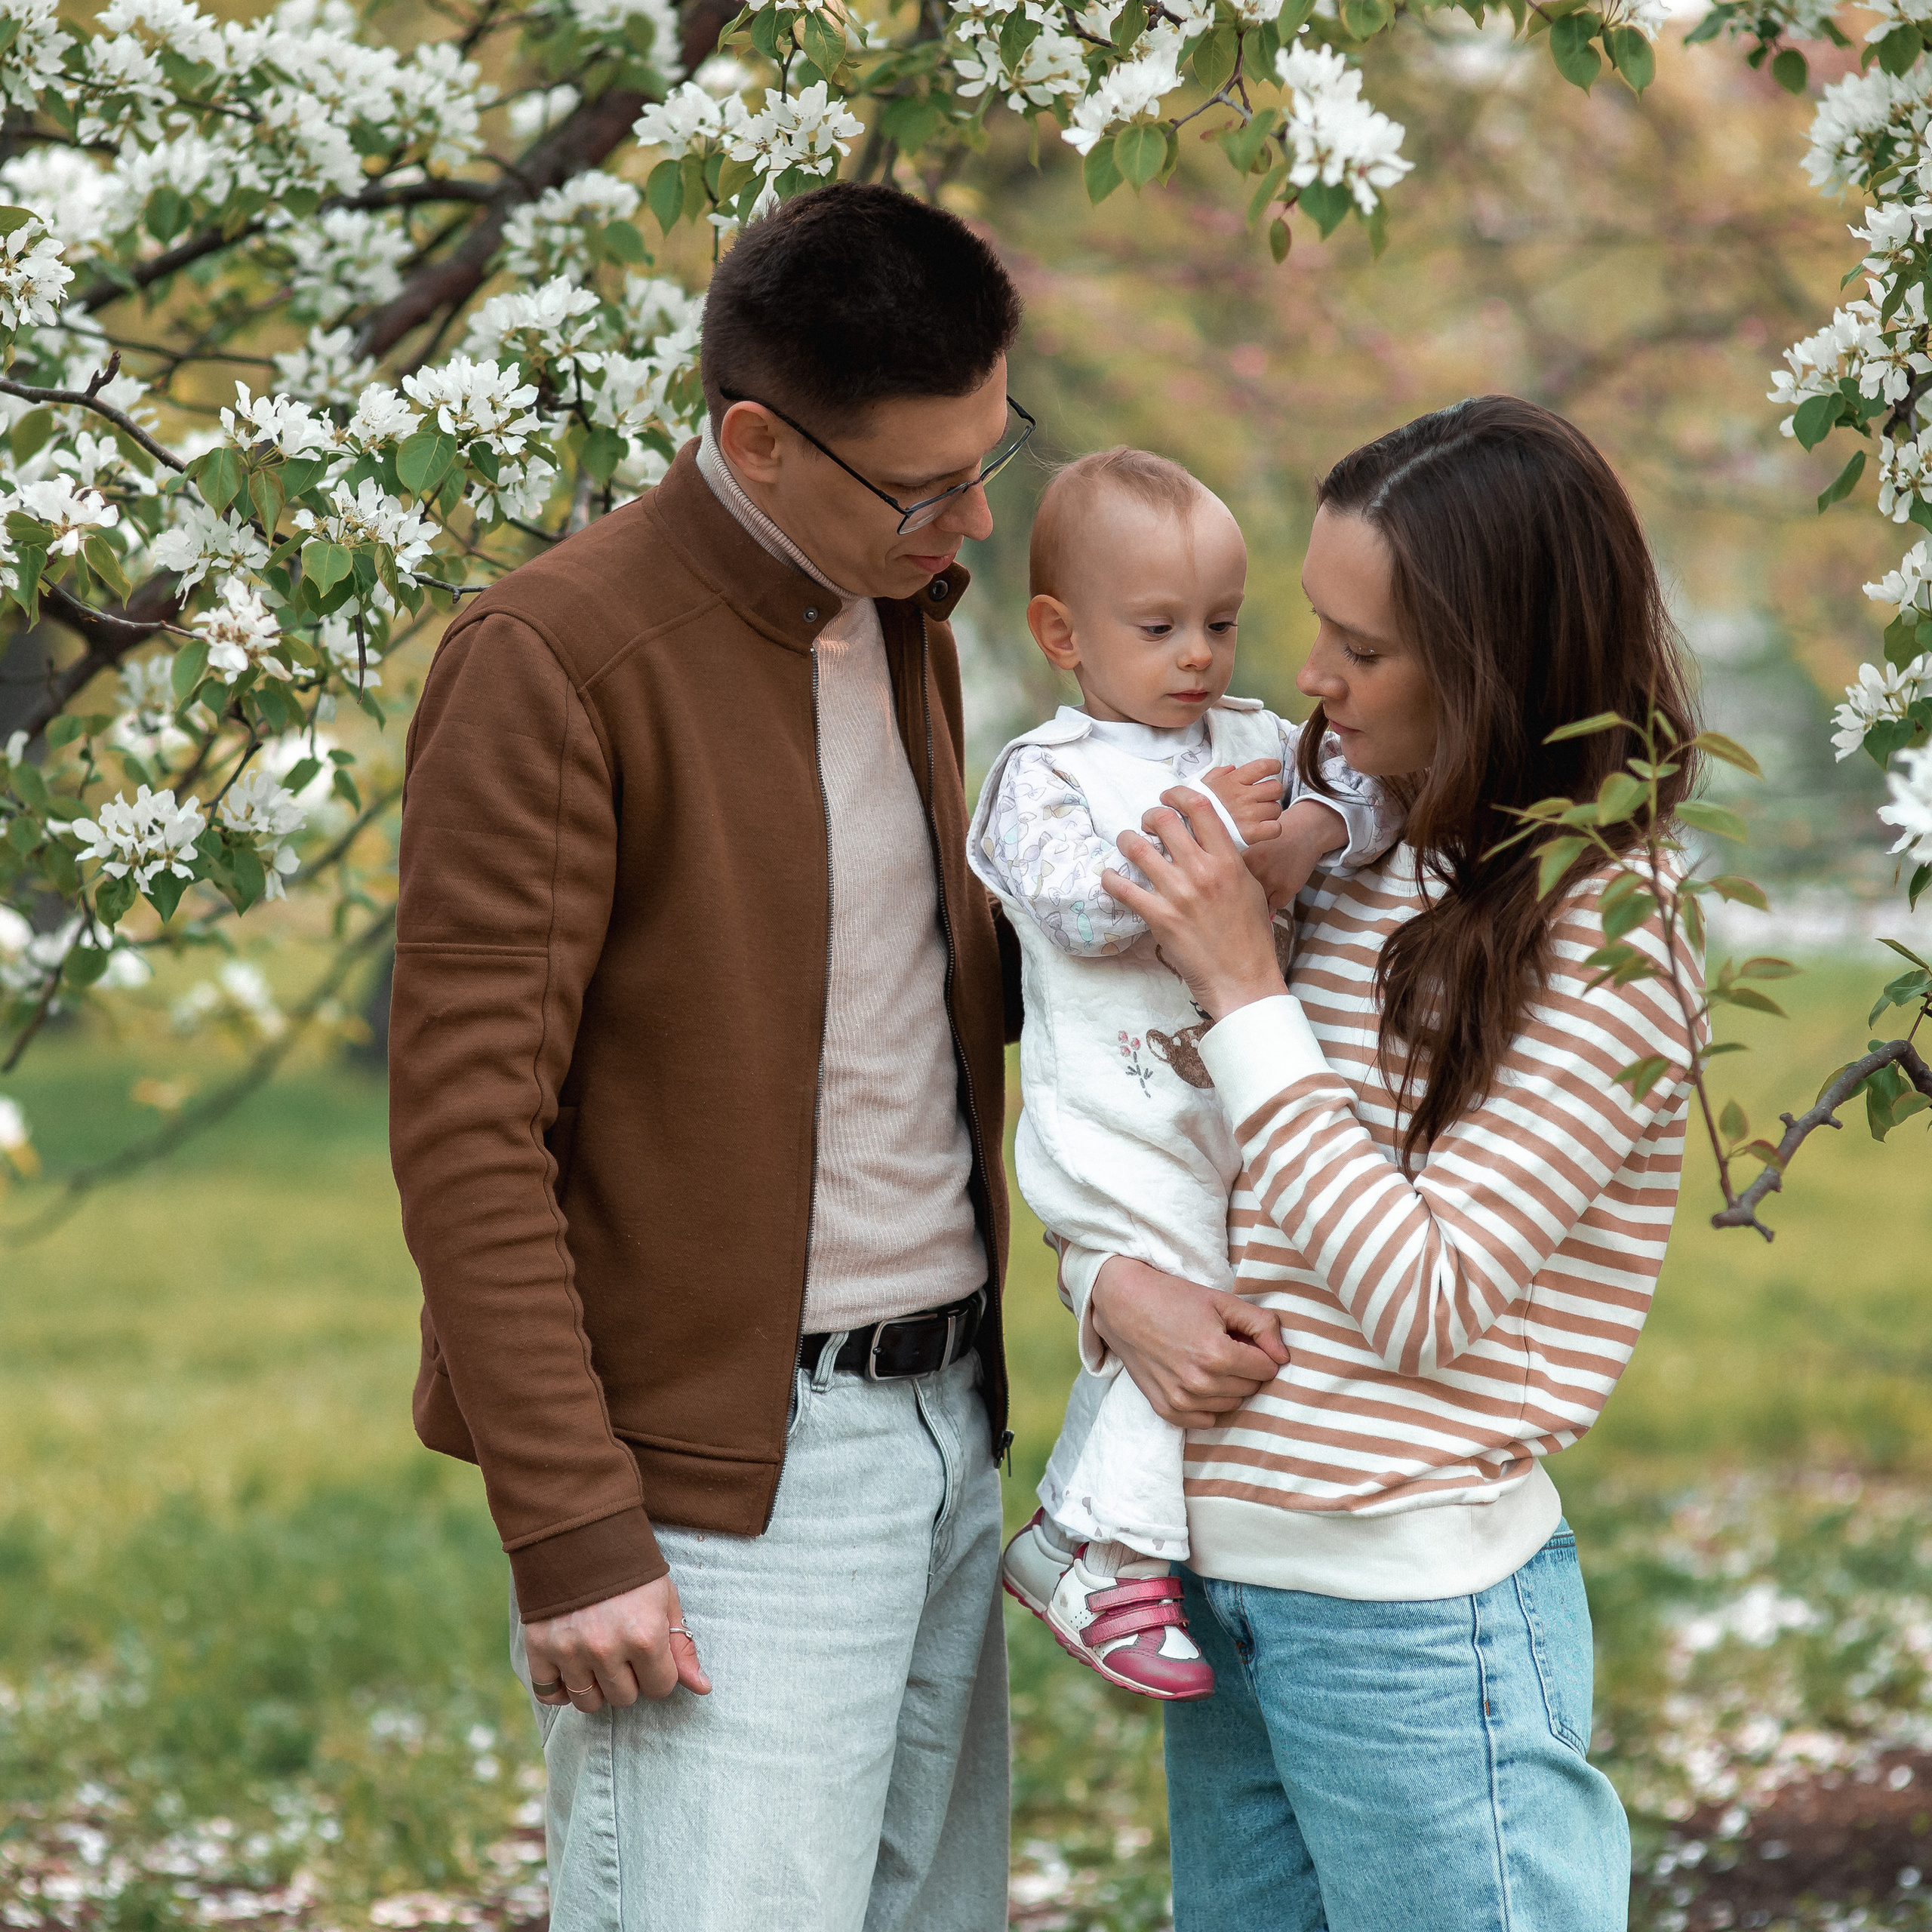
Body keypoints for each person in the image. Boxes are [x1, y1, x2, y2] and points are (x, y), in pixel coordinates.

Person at [386, 181, 1031, 1932]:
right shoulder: (551, 659)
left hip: (950, 1429)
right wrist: (574, 1528)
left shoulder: (898, 607)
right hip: (723, 1495)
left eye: (989, 452)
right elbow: (464, 1134)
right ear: (755, 437)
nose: (967, 516)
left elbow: (885, 993)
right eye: (922, 484)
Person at [1081, 396, 1705, 1930]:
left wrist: (1243, 983)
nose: (1305, 679)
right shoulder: (1352, 851)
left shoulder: (1612, 932)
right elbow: (1160, 1132)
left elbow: (1424, 1292)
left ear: (1494, 656)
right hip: (1223, 1587)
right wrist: (1104, 1281)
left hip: (1412, 1614)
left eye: (1361, 649)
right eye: (1314, 626)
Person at [967, 448, 1397, 1701]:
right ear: (1062, 633)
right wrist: (1206, 834)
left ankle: (1069, 1538)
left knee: (1226, 1297)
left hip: (1232, 1103)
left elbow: (1374, 790)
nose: (1199, 657)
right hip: (1112, 1116)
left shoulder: (1261, 738)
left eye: (1220, 623)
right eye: (1158, 628)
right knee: (1189, 1308)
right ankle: (1106, 1557)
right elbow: (1079, 911)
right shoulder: (1042, 779)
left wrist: (1307, 834)